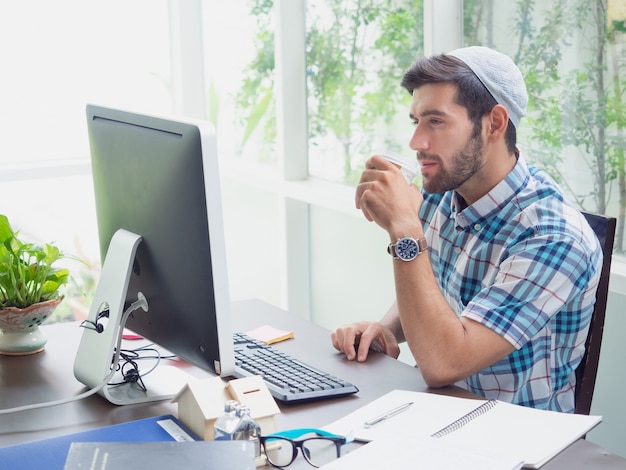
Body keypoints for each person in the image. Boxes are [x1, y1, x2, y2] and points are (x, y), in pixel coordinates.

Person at [331, 46, 603, 413]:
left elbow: (445, 363)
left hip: (516, 438)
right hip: (436, 411)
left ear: (494, 123)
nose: (416, 143)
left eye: (436, 121)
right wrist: (386, 330)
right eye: (416, 122)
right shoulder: (449, 193)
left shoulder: (554, 237)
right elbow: (436, 286)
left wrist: (405, 230)